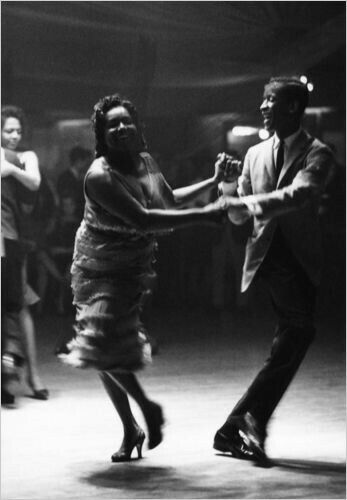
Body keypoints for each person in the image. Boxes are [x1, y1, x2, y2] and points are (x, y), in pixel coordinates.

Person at [59, 93, 233, 462]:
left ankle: (133, 429)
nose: (121, 128)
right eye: (112, 124)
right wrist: (206, 214)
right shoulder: (99, 176)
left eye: (126, 121)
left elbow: (166, 201)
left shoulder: (146, 161)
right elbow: (143, 218)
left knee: (105, 347)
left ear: (138, 127)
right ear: (101, 135)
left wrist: (213, 181)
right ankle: (145, 413)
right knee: (101, 341)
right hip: (99, 265)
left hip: (133, 264)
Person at [213, 76, 335, 463]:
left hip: (302, 261)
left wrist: (250, 202)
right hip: (269, 259)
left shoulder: (319, 153)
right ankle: (251, 422)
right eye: (263, 101)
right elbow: (236, 217)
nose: (263, 107)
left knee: (290, 340)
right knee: (300, 330)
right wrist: (229, 187)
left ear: (293, 108)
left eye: (271, 101)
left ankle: (234, 429)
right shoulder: (253, 154)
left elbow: (300, 194)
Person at [1, 105, 45, 405]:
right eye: (8, 130)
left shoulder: (25, 157)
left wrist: (11, 169)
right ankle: (11, 371)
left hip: (14, 239)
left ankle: (29, 374)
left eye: (18, 130)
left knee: (19, 306)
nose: (15, 135)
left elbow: (35, 182)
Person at [57, 145, 91, 219]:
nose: (86, 165)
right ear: (78, 161)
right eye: (85, 162)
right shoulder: (65, 178)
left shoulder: (80, 178)